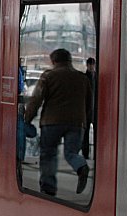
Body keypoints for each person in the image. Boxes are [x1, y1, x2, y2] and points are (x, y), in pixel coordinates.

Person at [23, 48, 93, 196]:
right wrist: (83, 120)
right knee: (71, 152)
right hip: (76, 122)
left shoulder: (49, 76)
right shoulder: (82, 78)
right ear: (69, 61)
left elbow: (36, 99)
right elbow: (89, 103)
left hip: (52, 121)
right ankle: (80, 166)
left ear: (54, 61)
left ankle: (48, 188)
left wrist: (28, 118)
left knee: (48, 154)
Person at [81, 57, 97, 159]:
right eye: (90, 65)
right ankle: (85, 153)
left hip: (95, 110)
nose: (91, 66)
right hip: (87, 109)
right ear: (87, 65)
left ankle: (95, 153)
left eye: (92, 65)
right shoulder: (84, 77)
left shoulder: (97, 77)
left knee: (96, 133)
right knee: (85, 133)